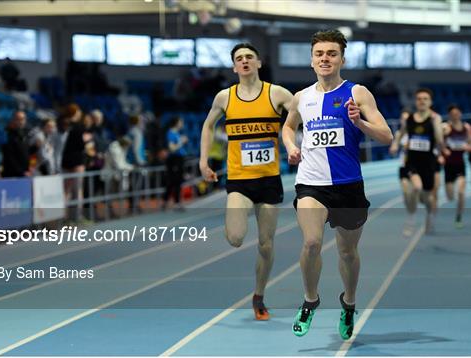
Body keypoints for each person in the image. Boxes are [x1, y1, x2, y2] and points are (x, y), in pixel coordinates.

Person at [282, 29, 393, 339]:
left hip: (348, 186)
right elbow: (288, 127)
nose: (325, 58)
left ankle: (348, 302)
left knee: (347, 253)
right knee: (312, 243)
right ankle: (309, 300)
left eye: (331, 53)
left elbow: (386, 135)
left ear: (342, 59)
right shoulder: (301, 97)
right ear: (312, 60)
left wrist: (359, 123)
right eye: (319, 54)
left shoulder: (358, 93)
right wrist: (291, 146)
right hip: (311, 184)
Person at [200, 43, 293, 321]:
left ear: (259, 62)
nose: (244, 62)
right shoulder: (224, 98)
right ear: (233, 66)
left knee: (266, 244)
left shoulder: (276, 93)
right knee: (236, 238)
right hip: (239, 180)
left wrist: (295, 141)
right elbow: (208, 125)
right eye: (239, 58)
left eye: (249, 57)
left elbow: (302, 113)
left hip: (268, 180)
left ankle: (259, 295)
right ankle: (235, 231)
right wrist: (203, 161)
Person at [390, 88, 448, 234]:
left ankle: (430, 215)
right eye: (419, 99)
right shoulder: (409, 119)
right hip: (412, 162)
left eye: (425, 99)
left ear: (430, 102)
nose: (422, 101)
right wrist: (396, 144)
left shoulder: (435, 118)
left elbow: (439, 138)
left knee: (428, 197)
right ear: (416, 101)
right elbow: (400, 134)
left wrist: (443, 149)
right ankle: (411, 220)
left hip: (428, 163)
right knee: (415, 187)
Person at [442, 105, 471, 228]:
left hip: (460, 164)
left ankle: (459, 217)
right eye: (453, 113)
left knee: (460, 192)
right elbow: (439, 143)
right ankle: (452, 198)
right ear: (450, 115)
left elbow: (470, 143)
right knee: (450, 196)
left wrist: (467, 147)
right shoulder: (446, 127)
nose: (455, 115)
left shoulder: (466, 127)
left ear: (460, 114)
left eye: (457, 113)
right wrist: (444, 150)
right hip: (448, 165)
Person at [389, 108, 416, 236]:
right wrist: (394, 148)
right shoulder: (400, 133)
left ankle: (412, 213)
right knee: (406, 193)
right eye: (402, 119)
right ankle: (410, 217)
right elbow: (394, 147)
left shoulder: (416, 131)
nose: (404, 121)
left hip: (416, 167)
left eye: (407, 118)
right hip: (404, 166)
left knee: (415, 192)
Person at [163, 116, 188, 210]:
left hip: (179, 159)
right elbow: (172, 148)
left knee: (177, 181)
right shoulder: (170, 133)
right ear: (176, 122)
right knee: (174, 181)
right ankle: (175, 202)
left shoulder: (176, 133)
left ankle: (167, 201)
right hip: (174, 160)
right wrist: (182, 141)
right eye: (181, 121)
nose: (182, 124)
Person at [2, 110, 30, 178]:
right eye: (18, 119)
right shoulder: (7, 134)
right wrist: (21, 171)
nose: (21, 122)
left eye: (23, 119)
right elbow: (9, 156)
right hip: (11, 174)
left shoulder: (25, 133)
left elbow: (25, 152)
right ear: (13, 120)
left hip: (24, 173)